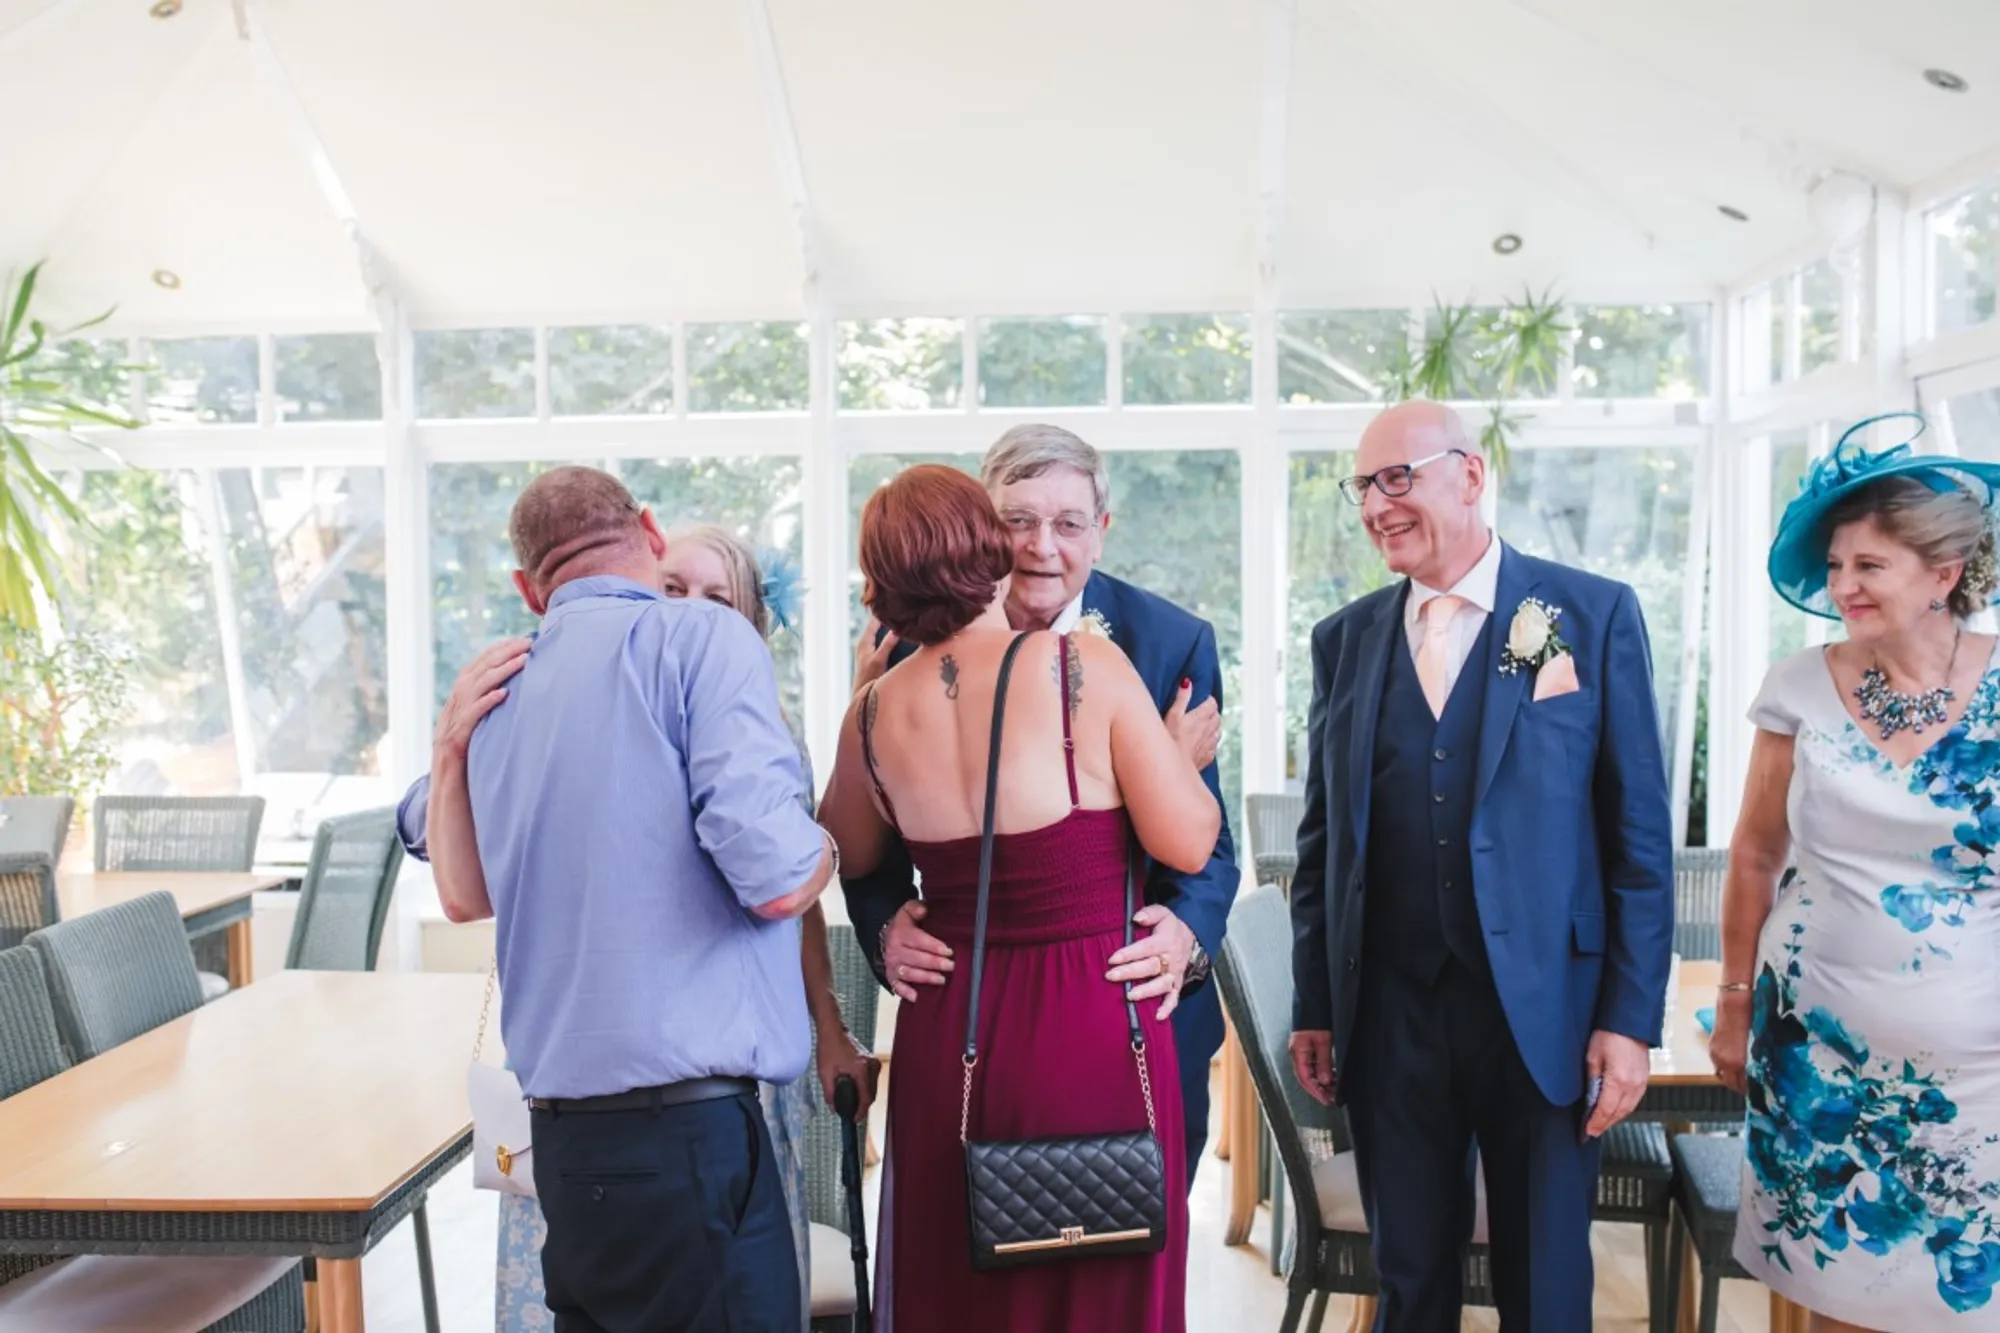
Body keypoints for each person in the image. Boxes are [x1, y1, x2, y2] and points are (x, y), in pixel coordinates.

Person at [425, 521, 874, 1333]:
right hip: (622, 1098)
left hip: (706, 1090)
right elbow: (431, 829)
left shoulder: (764, 734)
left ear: (748, 623)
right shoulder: (555, 699)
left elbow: (793, 907)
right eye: (674, 590)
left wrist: (831, 1025)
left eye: (715, 599)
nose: (691, 609)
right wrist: (452, 743)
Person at [1287, 401, 1674, 1331]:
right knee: (1409, 1280)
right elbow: (1323, 840)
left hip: (1546, 1015)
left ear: (1470, 474)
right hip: (1390, 1013)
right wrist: (1316, 1003)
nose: (1375, 505)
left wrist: (1628, 1019)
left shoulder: (1591, 614)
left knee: (1546, 1289)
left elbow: (1639, 837)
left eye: (1397, 478)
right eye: (1362, 486)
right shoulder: (1344, 639)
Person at [819, 465, 1220, 1331]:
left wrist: (863, 694)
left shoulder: (872, 712)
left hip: (951, 1025)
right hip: (1092, 1014)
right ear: (991, 550)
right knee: (1104, 1271)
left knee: (963, 1283)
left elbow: (846, 847)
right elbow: (1189, 840)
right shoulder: (1084, 666)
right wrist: (1173, 757)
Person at [1712, 416, 2000, 1330]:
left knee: (1967, 1303)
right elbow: (1755, 854)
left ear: (1943, 574)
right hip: (1815, 1060)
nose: (1842, 587)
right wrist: (1733, 1004)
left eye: (1869, 565)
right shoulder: (1796, 684)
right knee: (1832, 1295)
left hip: (1980, 1069)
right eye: (1836, 566)